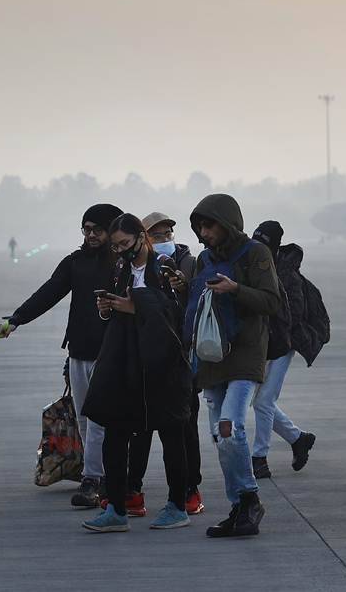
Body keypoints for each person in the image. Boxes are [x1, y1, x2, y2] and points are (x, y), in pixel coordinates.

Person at [0, 203, 122, 508]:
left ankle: (97, 478)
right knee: (84, 420)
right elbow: (49, 292)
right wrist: (16, 319)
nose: (91, 235)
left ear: (112, 231)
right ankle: (99, 475)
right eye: (86, 229)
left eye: (98, 230)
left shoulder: (123, 264)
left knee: (104, 420)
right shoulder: (75, 262)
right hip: (79, 353)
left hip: (113, 354)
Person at [80, 213, 194, 532]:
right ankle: (116, 506)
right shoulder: (120, 270)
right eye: (115, 246)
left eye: (125, 244)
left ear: (142, 237)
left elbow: (176, 314)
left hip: (162, 367)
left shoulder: (164, 268)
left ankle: (176, 504)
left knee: (172, 435)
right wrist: (108, 309)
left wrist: (137, 305)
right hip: (125, 365)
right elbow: (123, 310)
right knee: (114, 434)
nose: (121, 251)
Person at [187, 194, 281, 538]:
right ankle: (239, 505)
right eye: (199, 225)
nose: (203, 231)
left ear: (227, 223)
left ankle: (249, 499)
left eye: (209, 224)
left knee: (230, 428)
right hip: (212, 357)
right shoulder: (203, 259)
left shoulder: (256, 253)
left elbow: (272, 301)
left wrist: (236, 289)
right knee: (219, 437)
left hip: (244, 355)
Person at [125, 211, 205, 516]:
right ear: (143, 238)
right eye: (157, 235)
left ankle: (189, 490)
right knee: (139, 428)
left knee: (184, 428)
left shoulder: (187, 262)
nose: (165, 240)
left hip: (178, 359)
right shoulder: (130, 267)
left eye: (169, 233)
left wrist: (182, 287)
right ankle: (132, 489)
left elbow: (190, 306)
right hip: (143, 361)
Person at [249, 221, 326, 479]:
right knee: (262, 402)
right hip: (263, 343)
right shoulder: (256, 265)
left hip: (284, 344)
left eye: (262, 243)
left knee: (263, 401)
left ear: (273, 246)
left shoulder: (287, 274)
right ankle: (298, 438)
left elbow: (291, 315)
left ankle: (259, 458)